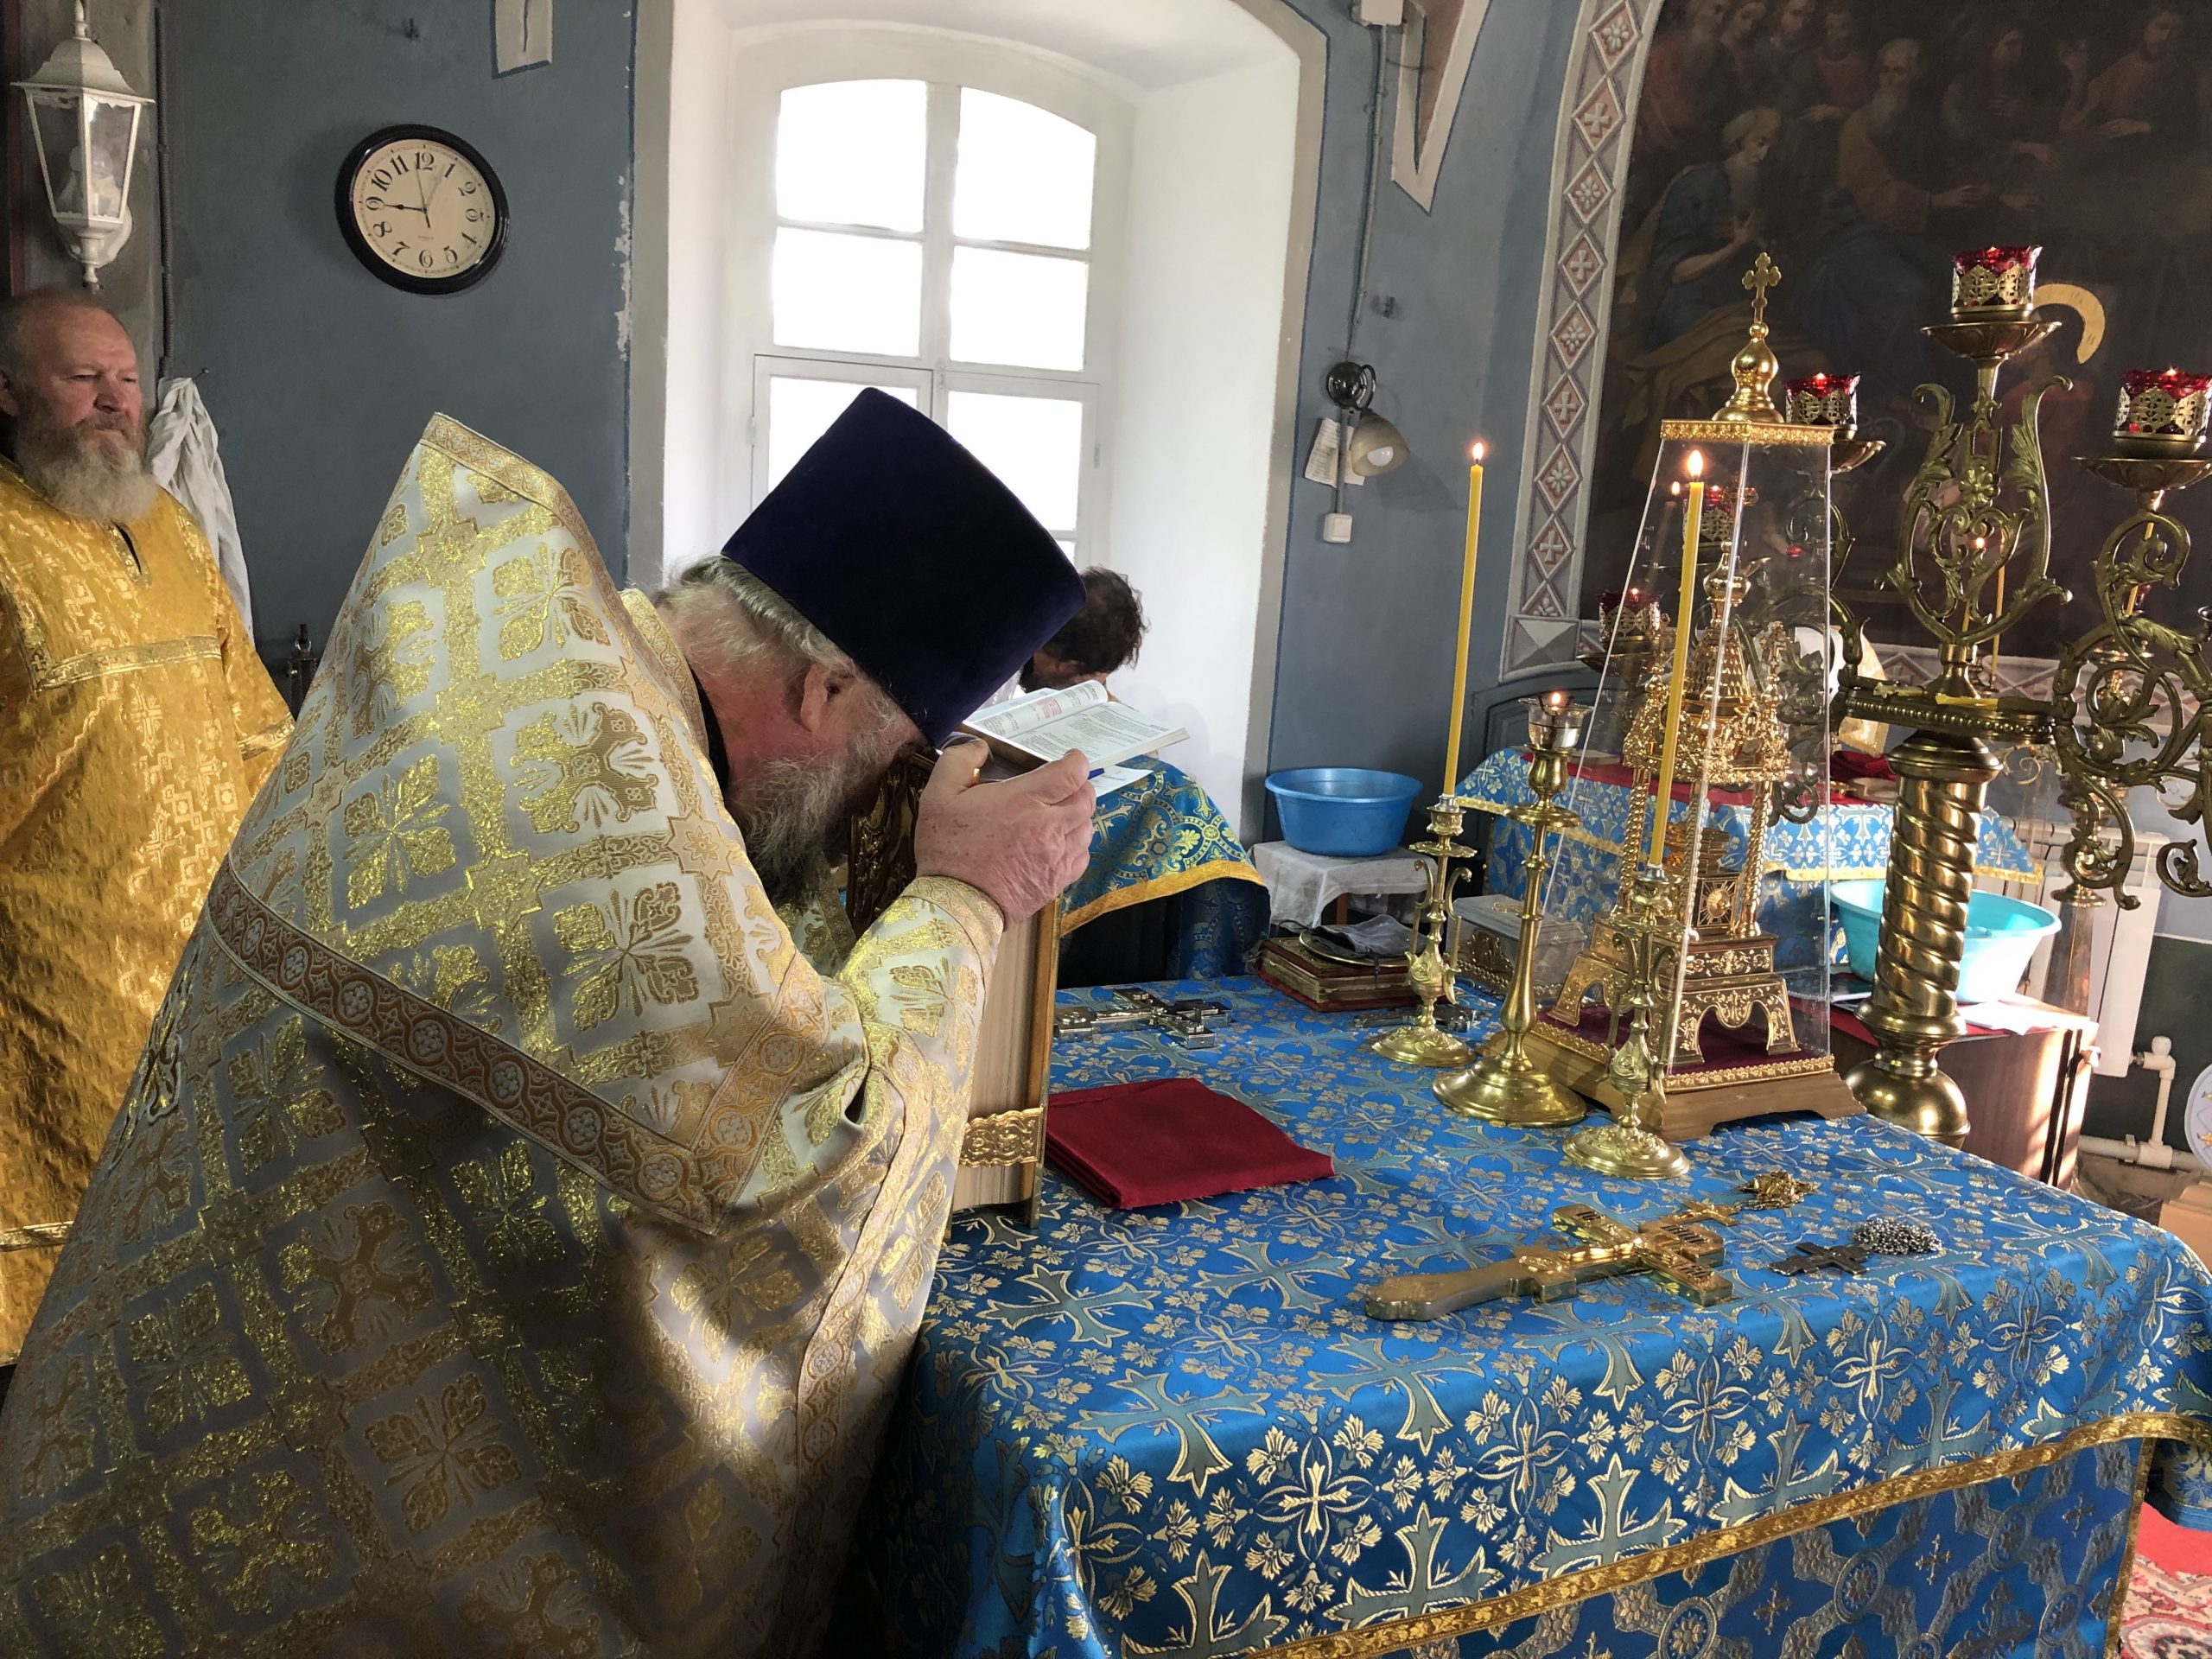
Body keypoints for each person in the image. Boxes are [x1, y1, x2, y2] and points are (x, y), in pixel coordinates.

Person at [0, 390, 1094, 1657]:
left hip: (136, 1443)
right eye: (884, 749)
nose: (868, 794)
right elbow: (804, 1161)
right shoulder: (609, 817)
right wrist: (964, 895)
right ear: (824, 685)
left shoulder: (546, 662)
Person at [0, 289, 289, 1370]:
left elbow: (256, 726)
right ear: (11, 393)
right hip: (52, 975)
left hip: (204, 963)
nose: (114, 401)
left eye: (124, 378)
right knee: (63, 1295)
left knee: (194, 1269)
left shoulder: (167, 529)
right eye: (83, 379)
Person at [1020, 565, 1146, 691]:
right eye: (1075, 669)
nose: (1078, 681)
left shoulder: (1100, 656)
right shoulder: (1015, 644)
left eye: (1091, 674)